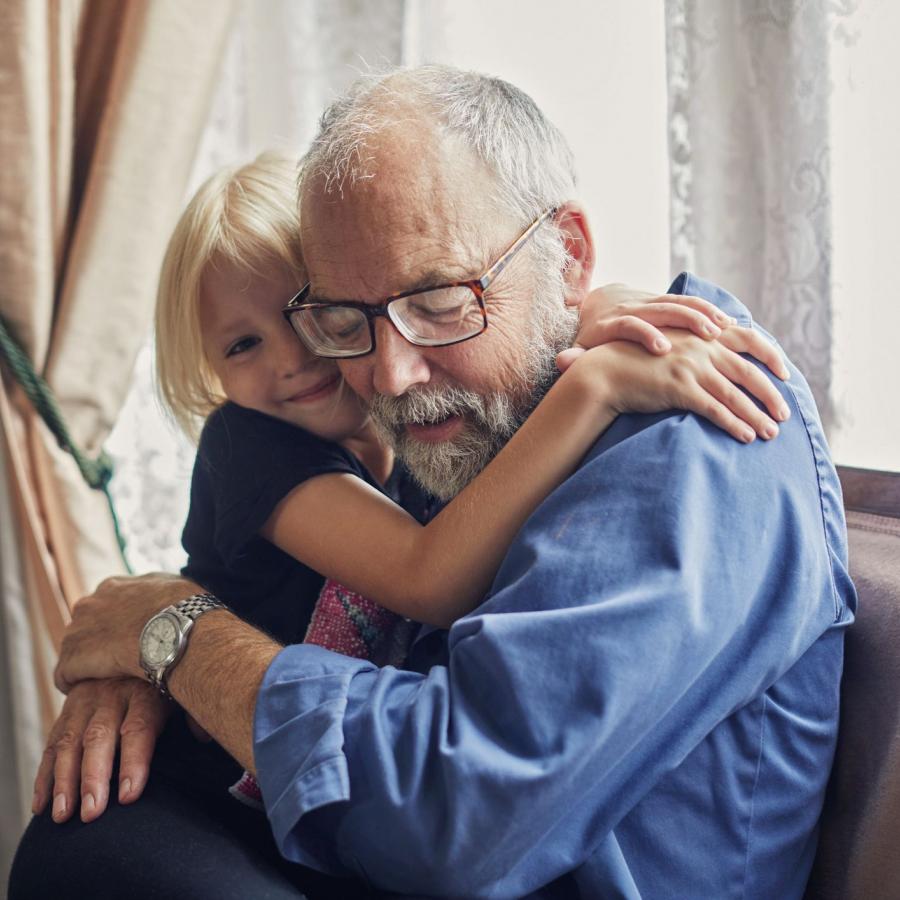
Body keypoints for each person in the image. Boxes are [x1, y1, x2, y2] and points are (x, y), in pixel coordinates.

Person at [11, 65, 853, 900]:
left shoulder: (692, 431)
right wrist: (155, 649)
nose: (390, 373)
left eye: (440, 299)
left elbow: (458, 808)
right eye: (347, 320)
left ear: (570, 257)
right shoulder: (456, 427)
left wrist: (182, 641)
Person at [156, 150, 785, 809]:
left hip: (330, 782)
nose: (289, 358)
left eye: (309, 316)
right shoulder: (246, 443)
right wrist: (594, 384)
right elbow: (426, 578)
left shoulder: (408, 420)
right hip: (209, 787)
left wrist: (590, 313)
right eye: (241, 345)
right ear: (208, 369)